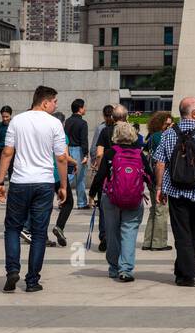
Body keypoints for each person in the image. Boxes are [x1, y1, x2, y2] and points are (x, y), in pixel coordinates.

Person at [0, 85, 68, 293]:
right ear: (44, 102)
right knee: (38, 233)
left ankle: (12, 271)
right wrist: (62, 186)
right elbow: (61, 157)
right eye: (54, 101)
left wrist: (0, 183)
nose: (56, 105)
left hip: (19, 182)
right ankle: (32, 281)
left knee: (12, 228)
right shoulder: (54, 124)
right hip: (44, 183)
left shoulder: (17, 121)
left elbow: (7, 153)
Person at [154, 96, 195, 286]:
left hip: (175, 190)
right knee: (194, 233)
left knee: (181, 233)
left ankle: (182, 269)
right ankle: (190, 275)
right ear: (194, 113)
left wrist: (159, 187)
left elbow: (160, 163)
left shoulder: (168, 133)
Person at [90, 118, 152, 281]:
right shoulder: (139, 154)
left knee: (112, 234)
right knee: (129, 233)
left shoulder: (111, 153)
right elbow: (150, 176)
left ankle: (113, 268)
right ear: (133, 135)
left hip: (111, 199)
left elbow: (100, 176)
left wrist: (91, 195)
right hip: (133, 199)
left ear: (115, 136)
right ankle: (126, 270)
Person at [142, 110, 173, 251]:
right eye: (167, 123)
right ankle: (158, 242)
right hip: (161, 176)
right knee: (161, 209)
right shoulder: (162, 136)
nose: (169, 125)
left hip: (151, 177)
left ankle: (148, 241)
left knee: (154, 209)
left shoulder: (152, 136)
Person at [90, 104, 115, 251]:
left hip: (105, 173)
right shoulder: (125, 129)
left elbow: (97, 151)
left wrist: (97, 165)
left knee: (104, 206)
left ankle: (104, 235)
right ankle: (113, 236)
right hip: (121, 173)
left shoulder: (102, 129)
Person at [63, 98, 89, 208]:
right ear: (80, 109)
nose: (85, 109)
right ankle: (82, 203)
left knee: (68, 176)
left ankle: (63, 199)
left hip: (68, 149)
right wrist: (86, 155)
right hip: (79, 151)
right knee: (80, 178)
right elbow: (84, 140)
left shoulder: (67, 121)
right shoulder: (83, 123)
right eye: (84, 107)